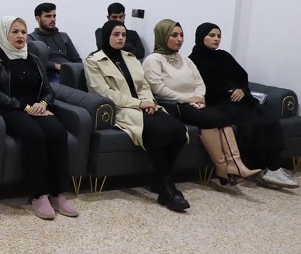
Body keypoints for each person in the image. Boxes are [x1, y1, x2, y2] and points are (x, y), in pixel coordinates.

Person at [84, 21, 190, 212]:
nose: (120, 38)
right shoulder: (93, 61)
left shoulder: (130, 57)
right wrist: (138, 104)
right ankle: (167, 188)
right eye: (116, 34)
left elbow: (143, 85)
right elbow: (103, 92)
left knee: (179, 131)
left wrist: (147, 101)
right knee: (159, 132)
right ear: (106, 36)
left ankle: (159, 180)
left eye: (123, 35)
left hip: (146, 105)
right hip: (122, 109)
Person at [142, 19, 261, 185]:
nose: (179, 39)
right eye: (174, 35)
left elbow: (199, 82)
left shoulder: (185, 60)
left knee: (219, 117)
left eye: (182, 35)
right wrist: (188, 99)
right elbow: (158, 88)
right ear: (163, 36)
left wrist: (199, 98)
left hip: (193, 104)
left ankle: (232, 165)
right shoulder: (153, 60)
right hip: (172, 105)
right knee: (214, 118)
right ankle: (226, 166)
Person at [0, 17, 78, 219]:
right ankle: (38, 194)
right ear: (3, 34)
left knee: (57, 132)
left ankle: (58, 193)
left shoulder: (34, 59)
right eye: (15, 32)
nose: (20, 36)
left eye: (23, 32)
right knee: (34, 135)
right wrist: (25, 107)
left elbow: (48, 89)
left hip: (36, 107)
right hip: (10, 109)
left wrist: (43, 104)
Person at [189, 22, 298, 188]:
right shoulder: (193, 61)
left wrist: (241, 90)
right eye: (211, 35)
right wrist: (226, 92)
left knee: (269, 118)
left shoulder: (224, 56)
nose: (216, 39)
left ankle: (274, 167)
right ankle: (260, 168)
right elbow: (199, 88)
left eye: (219, 36)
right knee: (251, 123)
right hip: (217, 102)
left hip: (241, 99)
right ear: (201, 36)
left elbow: (241, 76)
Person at [27, 3, 81, 82]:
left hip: (71, 72)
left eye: (54, 16)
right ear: (38, 19)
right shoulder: (32, 39)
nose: (52, 19)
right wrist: (56, 66)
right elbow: (35, 62)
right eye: (48, 16)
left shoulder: (64, 36)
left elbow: (77, 60)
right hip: (51, 75)